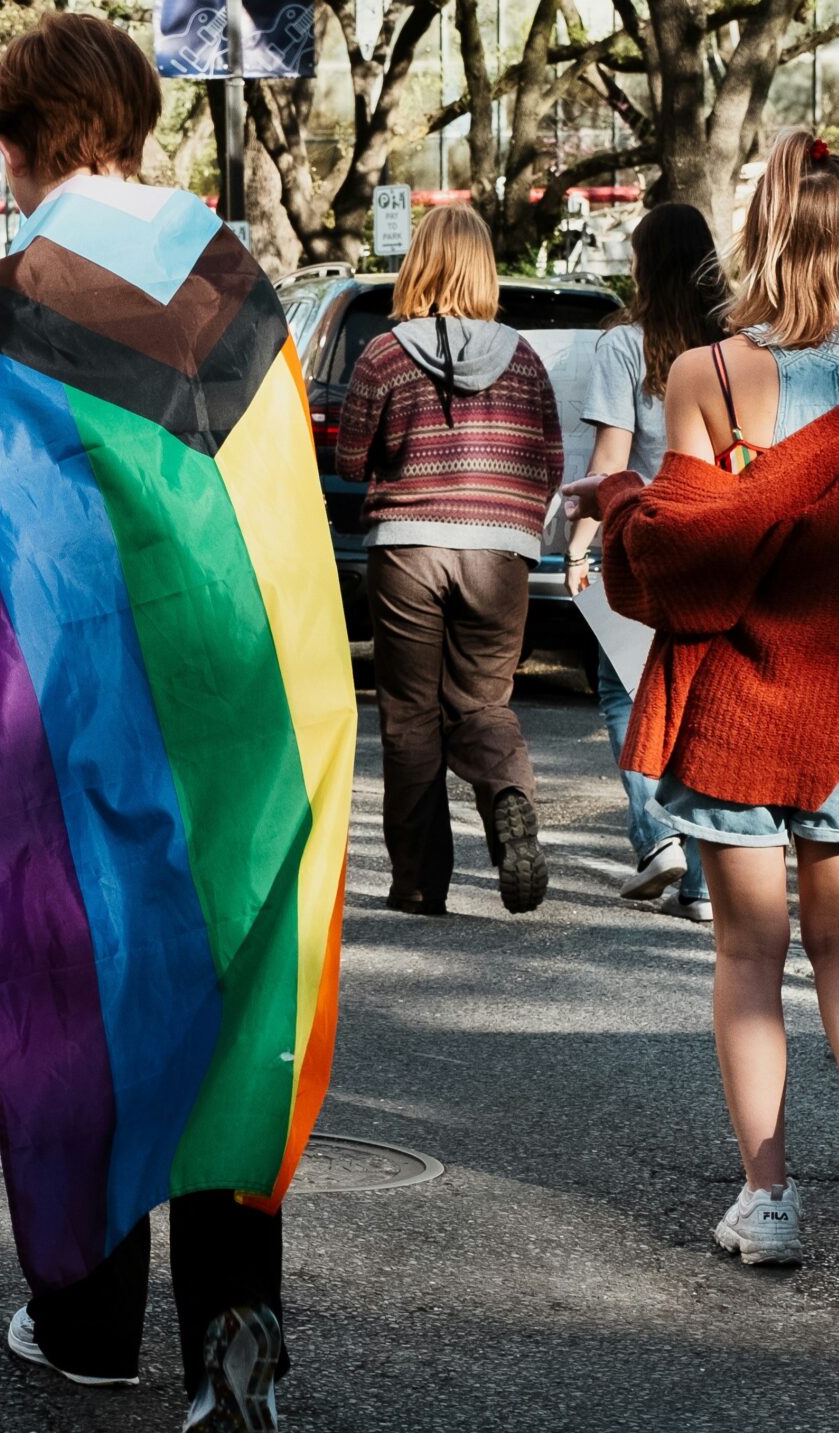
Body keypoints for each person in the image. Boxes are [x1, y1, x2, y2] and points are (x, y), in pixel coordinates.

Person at [0, 16, 356, 1433]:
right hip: (259, 710)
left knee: (92, 991)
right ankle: (235, 1325)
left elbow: (9, 572)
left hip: (98, 726)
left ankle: (88, 1320)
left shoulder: (14, 307)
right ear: (128, 121)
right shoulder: (235, 281)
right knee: (239, 1003)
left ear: (20, 136)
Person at [586, 128, 839, 1269]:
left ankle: (771, 1198)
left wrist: (622, 512)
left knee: (749, 957)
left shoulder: (703, 376)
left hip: (739, 704)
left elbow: (686, 559)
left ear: (759, 237)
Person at [335, 204, 561, 917]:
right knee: (481, 703)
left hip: (408, 548)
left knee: (409, 716)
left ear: (419, 264)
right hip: (497, 550)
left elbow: (347, 455)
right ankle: (510, 797)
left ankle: (420, 883)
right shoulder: (523, 358)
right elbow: (550, 462)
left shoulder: (384, 353)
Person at [568, 202, 727, 924]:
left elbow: (609, 461)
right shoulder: (734, 345)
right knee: (704, 705)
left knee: (623, 692)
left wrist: (576, 545)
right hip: (724, 539)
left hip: (644, 538)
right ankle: (702, 884)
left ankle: (655, 835)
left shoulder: (625, 347)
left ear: (643, 264)